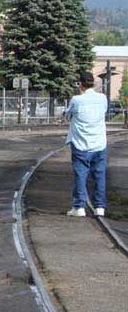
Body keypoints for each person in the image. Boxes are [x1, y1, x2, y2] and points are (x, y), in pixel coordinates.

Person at [64, 71, 108, 217]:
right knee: (99, 174)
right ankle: (100, 207)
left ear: (80, 84)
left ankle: (79, 207)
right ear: (93, 84)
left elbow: (68, 115)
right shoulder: (103, 98)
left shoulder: (76, 100)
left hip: (81, 144)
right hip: (99, 143)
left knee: (81, 174)